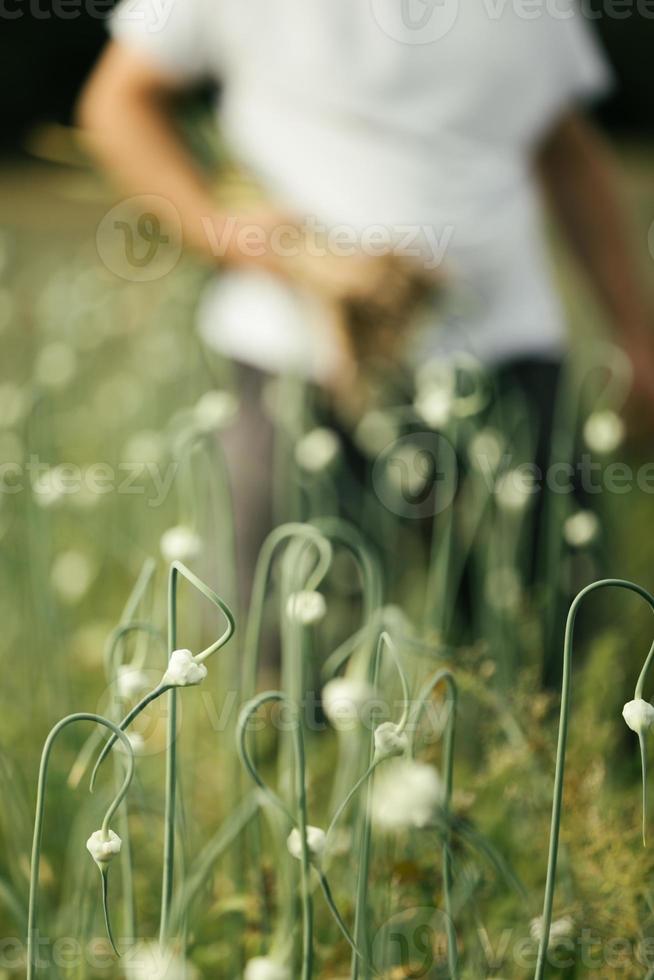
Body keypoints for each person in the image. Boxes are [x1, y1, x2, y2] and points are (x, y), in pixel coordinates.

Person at [78, 0, 653, 617]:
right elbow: (118, 104)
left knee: (547, 639)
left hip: (509, 350)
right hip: (291, 361)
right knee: (289, 660)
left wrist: (636, 337)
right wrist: (246, 239)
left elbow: (564, 147)